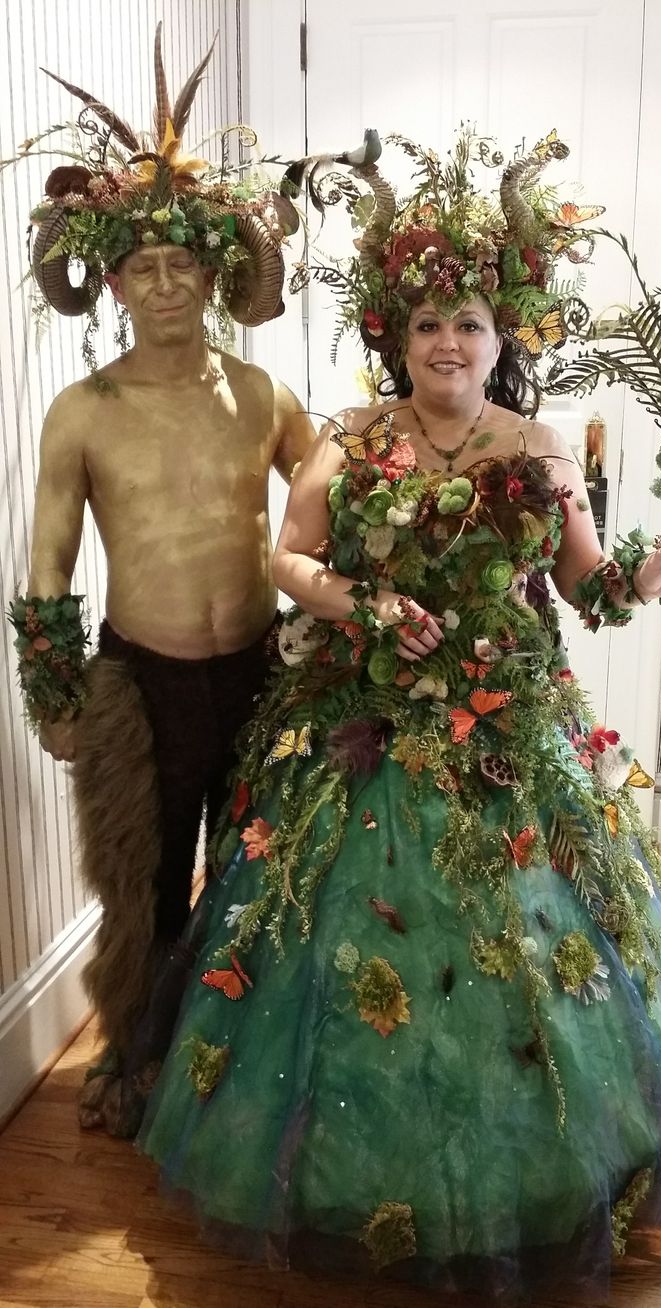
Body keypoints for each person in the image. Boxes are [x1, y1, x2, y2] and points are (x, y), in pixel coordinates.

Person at [138, 130, 661, 1302]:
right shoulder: (350, 442)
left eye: (471, 325)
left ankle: (537, 1170)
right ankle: (341, 1171)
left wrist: (650, 578)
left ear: (503, 341)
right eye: (427, 324)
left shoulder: (539, 449)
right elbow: (287, 557)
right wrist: (363, 599)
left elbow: (590, 592)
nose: (449, 344)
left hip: (508, 737)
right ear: (394, 335)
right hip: (367, 724)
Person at [8, 28, 315, 1136]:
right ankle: (132, 1061)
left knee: (257, 878)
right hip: (139, 687)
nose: (168, 280)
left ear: (216, 272)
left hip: (258, 678)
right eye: (143, 266)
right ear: (114, 282)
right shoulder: (83, 412)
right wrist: (54, 700)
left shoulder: (265, 394)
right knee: (142, 889)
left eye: (186, 261)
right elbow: (44, 565)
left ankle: (242, 1068)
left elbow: (335, 505)